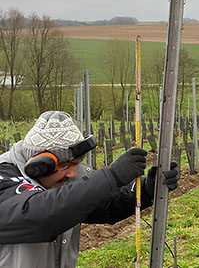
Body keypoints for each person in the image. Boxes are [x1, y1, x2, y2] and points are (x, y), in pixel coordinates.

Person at [0, 111, 179, 267]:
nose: (72, 174)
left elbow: (103, 207)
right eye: (65, 166)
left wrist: (146, 189)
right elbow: (39, 216)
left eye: (76, 164)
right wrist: (110, 177)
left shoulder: (63, 180)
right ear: (38, 165)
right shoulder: (4, 176)